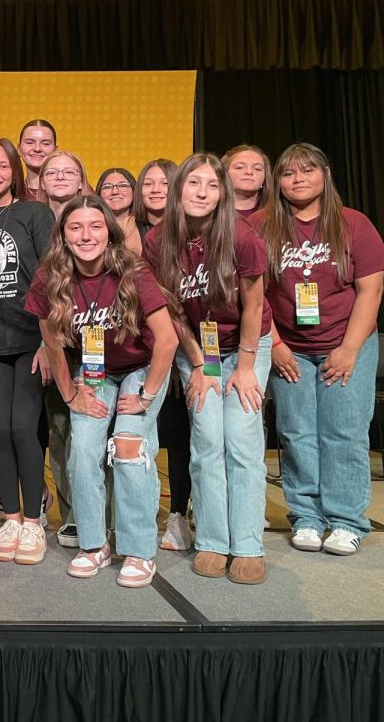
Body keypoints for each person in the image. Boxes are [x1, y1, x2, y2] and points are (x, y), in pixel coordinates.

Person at [27, 195, 178, 587]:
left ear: (109, 231)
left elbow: (167, 340)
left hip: (140, 369)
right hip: (94, 372)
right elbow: (53, 345)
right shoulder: (50, 276)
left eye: (95, 226)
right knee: (82, 452)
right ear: (63, 235)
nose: (86, 235)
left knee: (128, 447)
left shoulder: (132, 272)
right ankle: (94, 545)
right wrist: (70, 394)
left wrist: (146, 394)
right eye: (75, 227)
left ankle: (139, 549)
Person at [253, 143, 384, 557]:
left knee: (343, 432)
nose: (298, 179)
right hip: (288, 347)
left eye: (307, 170)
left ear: (325, 174)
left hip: (348, 342)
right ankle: (307, 517)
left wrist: (349, 348)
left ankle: (347, 520)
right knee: (295, 433)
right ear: (277, 182)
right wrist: (274, 343)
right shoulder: (263, 225)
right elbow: (252, 291)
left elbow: (372, 289)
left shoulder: (353, 223)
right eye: (289, 173)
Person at [143, 153, 272, 585]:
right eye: (193, 183)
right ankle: (214, 541)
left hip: (248, 345)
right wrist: (199, 363)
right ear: (179, 188)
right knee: (207, 439)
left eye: (212, 185)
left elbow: (254, 305)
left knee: (241, 438)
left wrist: (248, 366)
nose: (202, 192)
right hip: (198, 347)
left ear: (223, 193)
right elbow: (171, 310)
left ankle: (249, 545)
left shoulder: (242, 235)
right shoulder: (158, 240)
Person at [0, 137, 54, 564]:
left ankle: (35, 522)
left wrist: (48, 340)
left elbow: (54, 276)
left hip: (30, 342)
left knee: (23, 427)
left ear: (15, 171)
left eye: (2, 166)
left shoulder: (34, 213)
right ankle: (12, 517)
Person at [131, 157, 192, 552]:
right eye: (148, 183)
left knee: (182, 437)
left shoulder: (189, 233)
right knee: (143, 437)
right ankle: (137, 514)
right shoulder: (129, 234)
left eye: (164, 182)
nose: (155, 189)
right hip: (140, 352)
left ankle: (179, 515)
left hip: (184, 344)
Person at [34, 148, 93, 548]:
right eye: (51, 171)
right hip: (51, 341)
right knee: (59, 430)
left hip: (95, 339)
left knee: (90, 430)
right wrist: (44, 343)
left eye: (68, 170)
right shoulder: (30, 219)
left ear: (80, 177)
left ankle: (98, 514)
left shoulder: (95, 217)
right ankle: (71, 514)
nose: (59, 177)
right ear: (39, 180)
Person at [96, 167, 141, 256]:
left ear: (134, 190)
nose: (115, 191)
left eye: (123, 185)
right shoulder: (93, 228)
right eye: (107, 187)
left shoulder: (146, 227)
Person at [223, 144, 272, 217]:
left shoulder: (277, 215)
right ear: (225, 172)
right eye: (240, 167)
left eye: (257, 169)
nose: (249, 172)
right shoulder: (212, 214)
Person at [17, 119, 57, 202]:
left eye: (45, 143)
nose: (37, 149)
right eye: (30, 142)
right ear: (19, 149)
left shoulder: (71, 189)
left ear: (55, 150)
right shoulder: (10, 192)